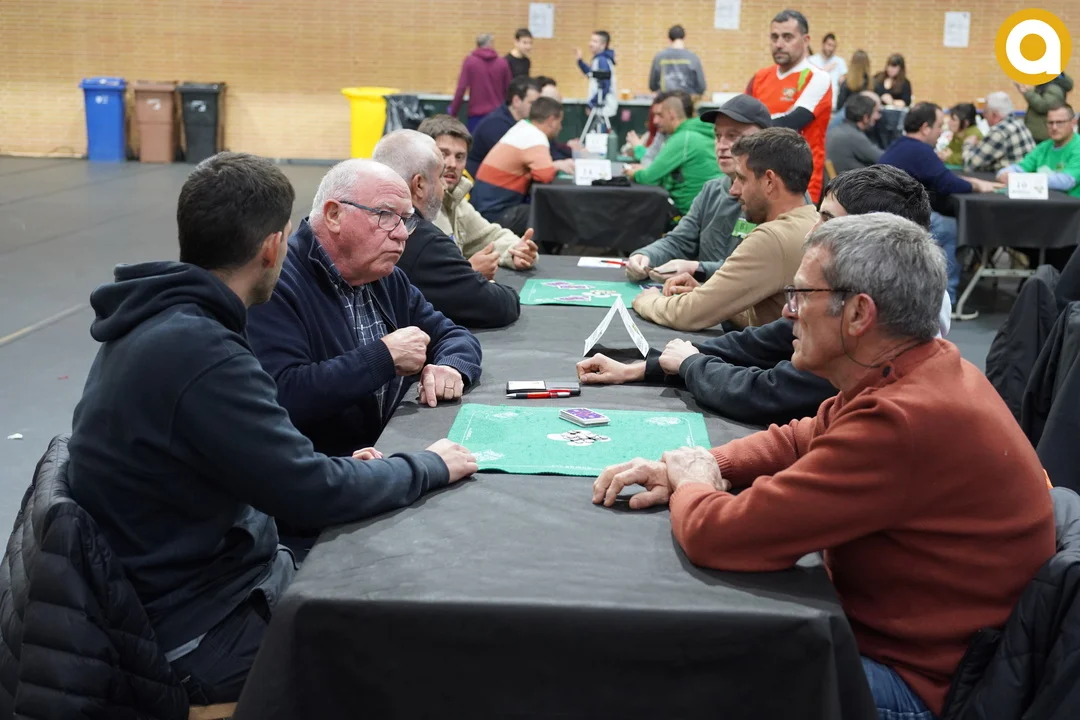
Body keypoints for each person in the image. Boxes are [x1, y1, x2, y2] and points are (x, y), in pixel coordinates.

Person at [592, 212, 1055, 720]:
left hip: (918, 688)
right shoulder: (920, 369)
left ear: (858, 313)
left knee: (686, 668)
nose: (789, 312)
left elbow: (715, 536)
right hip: (927, 655)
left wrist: (694, 484)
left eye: (800, 294)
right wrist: (709, 463)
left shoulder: (903, 419)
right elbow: (803, 436)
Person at [67, 152, 479, 704]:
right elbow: (309, 492)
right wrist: (428, 464)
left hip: (183, 588)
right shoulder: (203, 351)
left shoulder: (161, 322)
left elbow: (264, 465)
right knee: (410, 643)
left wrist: (329, 470)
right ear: (272, 247)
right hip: (195, 628)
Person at [580, 164, 950, 426]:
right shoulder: (861, 292)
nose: (733, 188)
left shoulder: (873, 335)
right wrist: (645, 367)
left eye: (828, 221)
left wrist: (680, 352)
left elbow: (770, 392)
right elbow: (758, 345)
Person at [632, 127, 818, 331]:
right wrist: (708, 295)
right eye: (718, 136)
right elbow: (769, 319)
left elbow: (689, 314)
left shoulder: (773, 238)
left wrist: (649, 300)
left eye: (742, 179)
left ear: (769, 182)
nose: (734, 190)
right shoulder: (811, 222)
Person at [372, 130, 521, 329]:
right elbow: (496, 306)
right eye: (440, 176)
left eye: (460, 156)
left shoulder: (359, 222)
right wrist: (474, 275)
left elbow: (490, 236)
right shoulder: (423, 241)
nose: (444, 185)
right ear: (419, 185)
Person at [625, 95, 772, 283]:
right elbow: (679, 240)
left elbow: (759, 268)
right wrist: (645, 256)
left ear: (765, 140)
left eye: (733, 136)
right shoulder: (711, 190)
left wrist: (697, 269)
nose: (722, 145)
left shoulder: (777, 194)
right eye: (718, 136)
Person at [878, 102, 999, 307]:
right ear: (925, 128)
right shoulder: (920, 150)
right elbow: (948, 184)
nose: (941, 131)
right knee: (952, 229)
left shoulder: (900, 144)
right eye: (939, 126)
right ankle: (945, 300)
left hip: (884, 214)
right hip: (899, 219)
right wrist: (976, 185)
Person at [419, 115, 539, 277]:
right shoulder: (412, 207)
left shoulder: (456, 201)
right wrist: (469, 271)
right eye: (443, 154)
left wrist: (518, 251)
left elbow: (492, 237)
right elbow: (416, 277)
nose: (452, 164)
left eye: (459, 157)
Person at [746, 9, 833, 203]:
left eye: (787, 37)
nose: (779, 44)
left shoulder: (817, 77)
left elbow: (792, 121)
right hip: (759, 178)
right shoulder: (760, 77)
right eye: (774, 37)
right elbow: (742, 116)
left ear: (806, 40)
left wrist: (748, 128)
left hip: (799, 183)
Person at [470, 96, 574, 235]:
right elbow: (545, 175)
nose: (560, 127)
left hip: (481, 209)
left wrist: (554, 165)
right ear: (551, 120)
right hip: (495, 214)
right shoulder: (535, 137)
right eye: (560, 122)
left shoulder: (522, 128)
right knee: (550, 212)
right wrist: (557, 166)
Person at [623, 91, 722, 215]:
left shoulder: (683, 138)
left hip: (690, 212)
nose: (655, 121)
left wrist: (633, 173)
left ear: (671, 114)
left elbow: (648, 178)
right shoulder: (697, 132)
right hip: (709, 207)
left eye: (660, 115)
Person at [998, 104, 1080, 198]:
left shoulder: (1077, 146)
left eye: (1060, 122)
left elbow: (1067, 181)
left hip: (1071, 205)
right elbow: (1020, 167)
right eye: (1050, 123)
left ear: (1073, 123)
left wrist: (1023, 179)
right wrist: (1004, 173)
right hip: (1043, 203)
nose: (1054, 127)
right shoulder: (1044, 147)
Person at [465, 76, 541, 178]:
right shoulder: (496, 124)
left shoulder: (521, 123)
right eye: (532, 103)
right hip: (478, 182)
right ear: (516, 101)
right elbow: (515, 161)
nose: (537, 108)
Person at [449, 33, 513, 133]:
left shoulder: (470, 62)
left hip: (476, 116)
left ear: (477, 45)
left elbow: (461, 88)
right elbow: (509, 90)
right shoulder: (502, 63)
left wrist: (453, 112)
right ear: (491, 44)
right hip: (498, 115)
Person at [962, 91, 1037, 173]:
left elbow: (969, 166)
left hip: (1009, 178)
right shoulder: (1019, 124)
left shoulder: (999, 132)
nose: (984, 117)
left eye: (985, 112)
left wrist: (968, 144)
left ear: (995, 115)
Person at [826, 94, 883, 173]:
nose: (878, 116)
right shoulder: (853, 136)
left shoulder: (836, 130)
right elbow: (885, 159)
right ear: (865, 118)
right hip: (851, 179)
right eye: (875, 112)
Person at [575, 30, 618, 131]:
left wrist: (592, 104)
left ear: (603, 45)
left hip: (603, 108)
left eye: (595, 41)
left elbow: (605, 85)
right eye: (591, 40)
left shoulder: (602, 60)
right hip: (601, 107)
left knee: (601, 135)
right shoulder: (599, 59)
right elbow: (592, 74)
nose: (590, 44)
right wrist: (580, 61)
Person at [648, 24, 707, 96]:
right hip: (686, 100)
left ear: (669, 39)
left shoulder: (659, 57)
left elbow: (652, 85)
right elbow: (701, 87)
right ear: (684, 38)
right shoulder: (693, 58)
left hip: (665, 99)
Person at [1017, 73, 1073, 142]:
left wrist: (1028, 93)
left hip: (1042, 134)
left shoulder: (1054, 88)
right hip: (1040, 131)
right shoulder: (1047, 85)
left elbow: (1043, 105)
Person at [622, 93, 667, 166]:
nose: (655, 121)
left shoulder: (671, 138)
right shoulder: (654, 134)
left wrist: (638, 147)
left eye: (660, 115)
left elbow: (654, 167)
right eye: (653, 115)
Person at [809, 32, 848, 111]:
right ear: (823, 44)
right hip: (814, 104)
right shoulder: (812, 60)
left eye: (834, 46)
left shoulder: (839, 62)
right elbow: (808, 80)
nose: (831, 49)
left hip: (833, 104)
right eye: (829, 45)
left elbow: (843, 81)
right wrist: (824, 71)